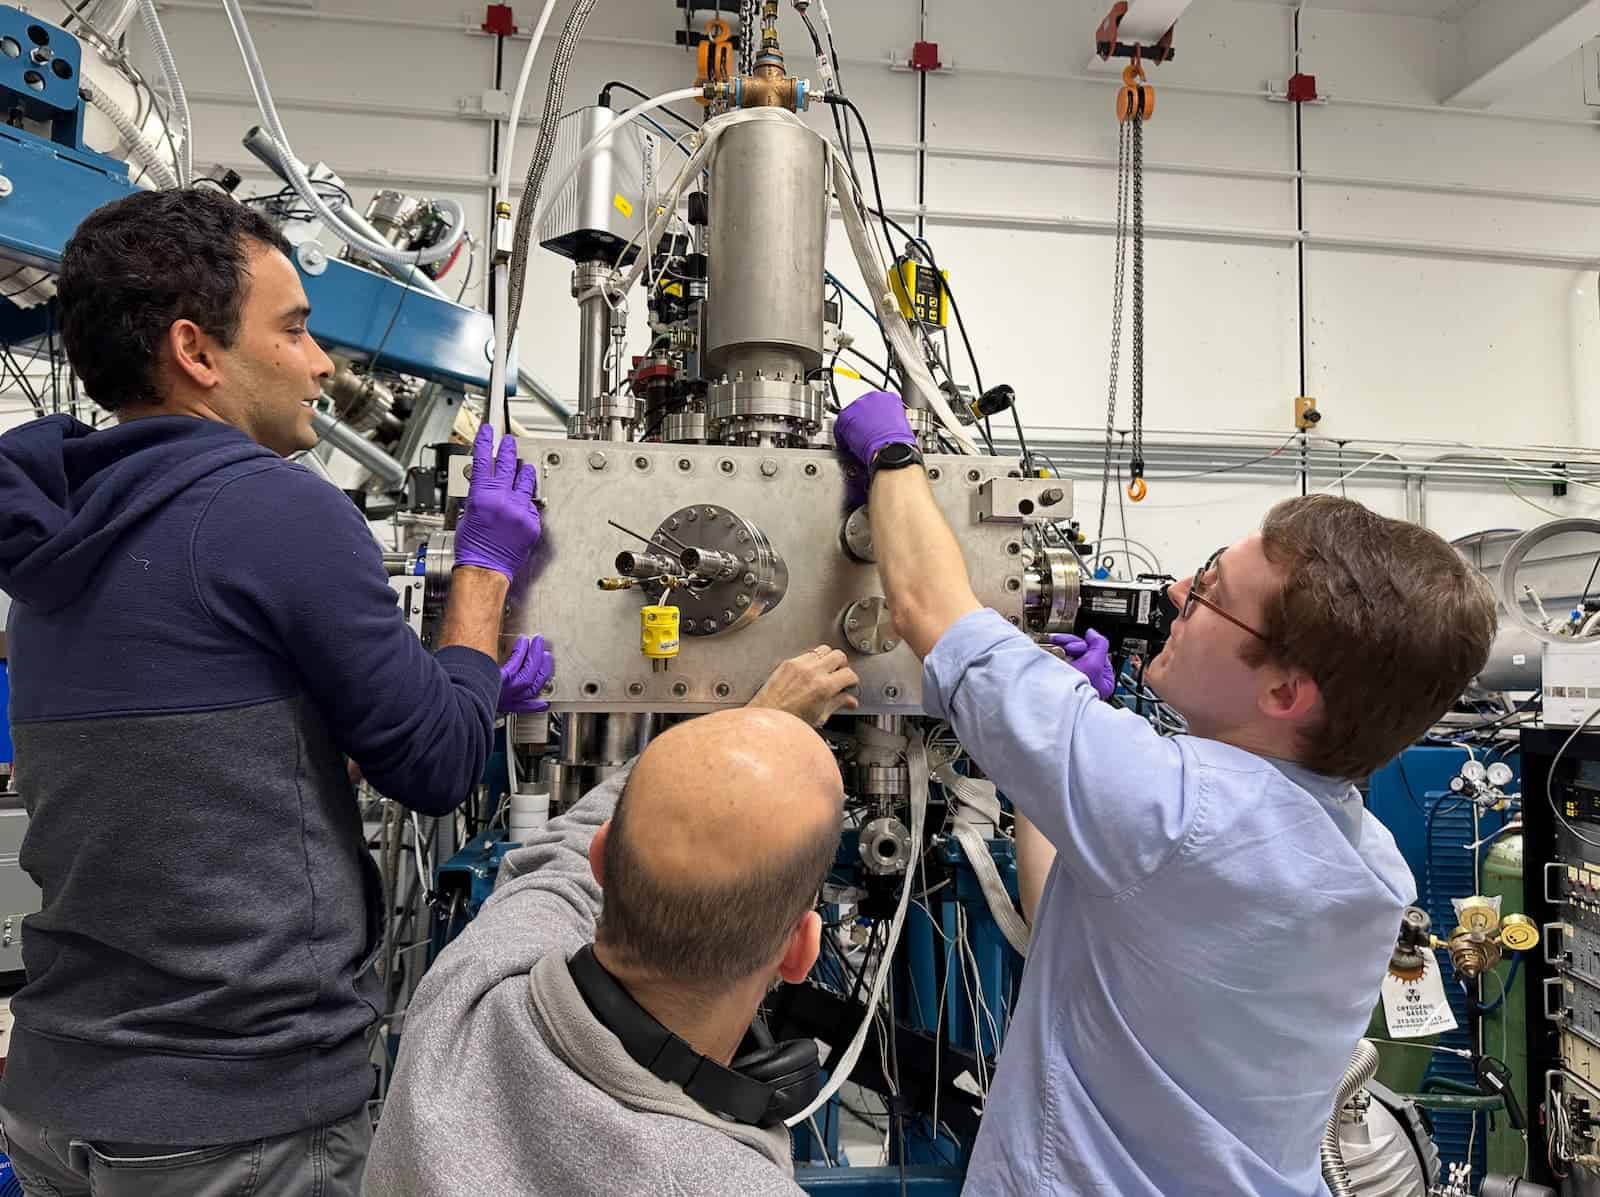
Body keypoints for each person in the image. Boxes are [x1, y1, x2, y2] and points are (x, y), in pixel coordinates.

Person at [0, 188, 549, 1196]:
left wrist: (459, 683)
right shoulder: (271, 506)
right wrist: (483, 573)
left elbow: (196, 768)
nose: (322, 365)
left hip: (59, 1099)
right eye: (293, 330)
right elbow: (434, 767)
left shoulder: (59, 532)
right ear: (196, 353)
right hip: (231, 1120)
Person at [833, 390, 1498, 1197]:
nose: (1180, 589)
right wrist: (1064, 761)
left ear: (1287, 693)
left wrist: (894, 457)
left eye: (1214, 591)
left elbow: (928, 607)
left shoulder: (1176, 812)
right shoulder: (1367, 860)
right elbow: (1078, 905)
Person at [363, 647, 861, 1197]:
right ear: (800, 950)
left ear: (603, 860)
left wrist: (759, 714)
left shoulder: (467, 991)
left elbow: (561, 856)